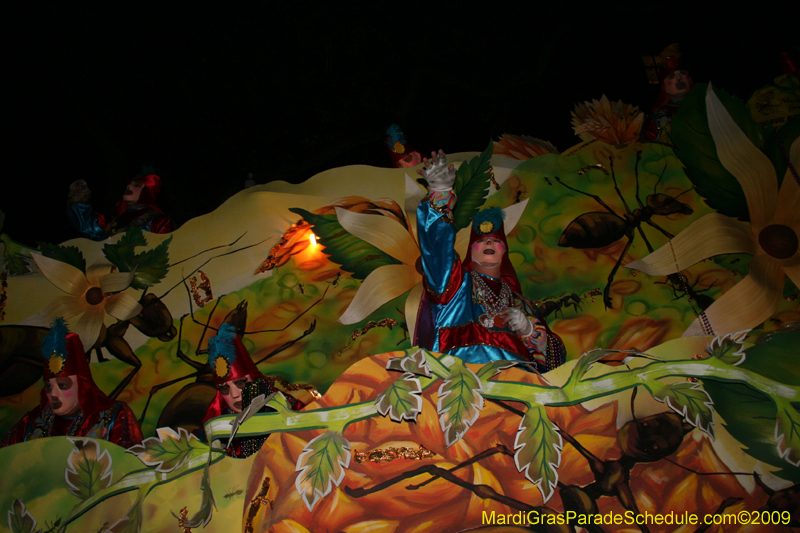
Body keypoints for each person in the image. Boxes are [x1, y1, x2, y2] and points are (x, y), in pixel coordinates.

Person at [415, 150, 566, 372]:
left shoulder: (522, 304)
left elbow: (557, 361)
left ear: (504, 251)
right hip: (464, 379)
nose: (488, 244)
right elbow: (437, 252)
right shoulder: (457, 285)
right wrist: (441, 193)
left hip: (521, 386)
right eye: (481, 241)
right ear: (471, 251)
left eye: (494, 241)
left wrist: (528, 329)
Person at [1, 318, 143, 448]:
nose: (53, 394)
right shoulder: (33, 421)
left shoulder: (115, 416)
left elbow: (128, 465)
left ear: (82, 385)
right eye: (49, 387)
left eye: (63, 386)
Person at [198, 323, 277, 458]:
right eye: (225, 389)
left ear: (254, 380)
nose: (234, 395)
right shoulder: (211, 431)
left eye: (240, 384)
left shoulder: (288, 409)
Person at [68, 172, 175, 240]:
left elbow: (166, 249)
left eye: (137, 185)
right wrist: (80, 197)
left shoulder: (159, 220)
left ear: (146, 192)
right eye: (129, 184)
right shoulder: (116, 220)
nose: (129, 186)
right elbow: (89, 227)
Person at [643, 45, 694, 142]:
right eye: (671, 76)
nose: (678, 79)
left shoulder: (703, 108)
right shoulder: (657, 118)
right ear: (664, 84)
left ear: (690, 80)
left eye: (682, 73)